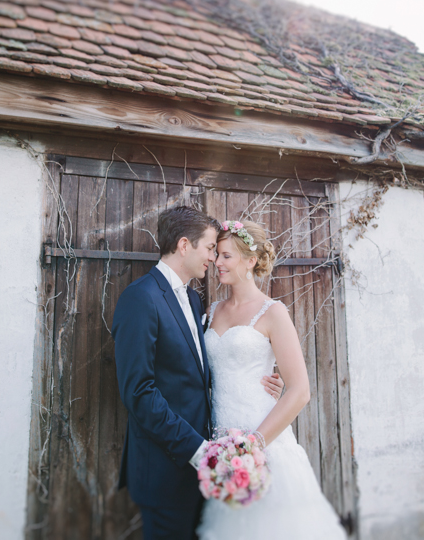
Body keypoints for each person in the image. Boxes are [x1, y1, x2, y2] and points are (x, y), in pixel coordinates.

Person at [112, 207, 283, 540]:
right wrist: (199, 450)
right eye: (209, 248)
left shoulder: (192, 299)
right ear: (184, 245)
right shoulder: (140, 298)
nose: (213, 258)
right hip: (165, 469)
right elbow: (139, 392)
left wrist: (259, 384)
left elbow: (196, 373)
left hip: (205, 470)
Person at [197, 219, 347, 540]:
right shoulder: (211, 311)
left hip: (263, 443)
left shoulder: (273, 312)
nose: (217, 263)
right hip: (221, 448)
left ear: (250, 261)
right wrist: (228, 453)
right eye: (217, 255)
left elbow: (300, 390)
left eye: (226, 256)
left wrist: (253, 446)